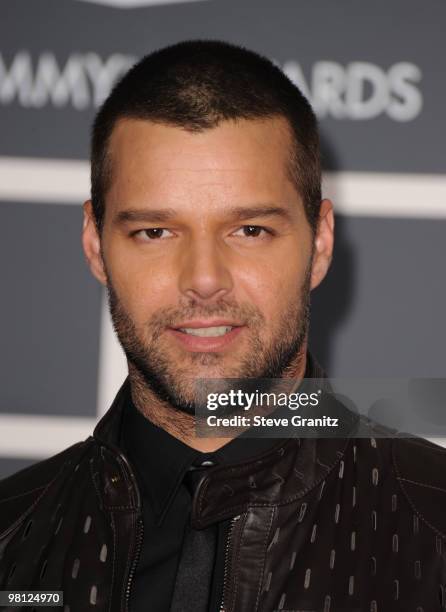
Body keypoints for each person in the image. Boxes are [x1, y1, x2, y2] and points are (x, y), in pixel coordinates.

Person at [0, 39, 445, 612]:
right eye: (155, 232)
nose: (204, 280)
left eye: (250, 230)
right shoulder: (12, 537)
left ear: (321, 243)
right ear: (94, 243)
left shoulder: (435, 530)